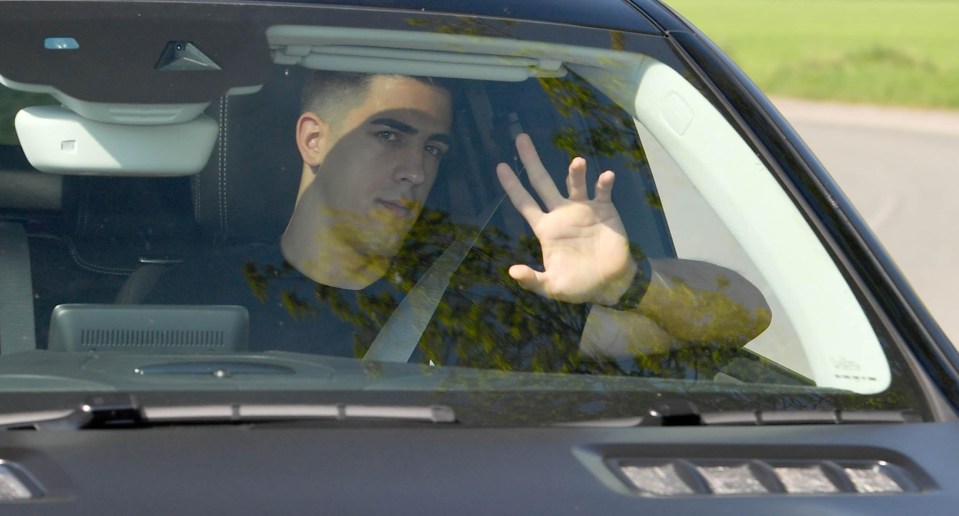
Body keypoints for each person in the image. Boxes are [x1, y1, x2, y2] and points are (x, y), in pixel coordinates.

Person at [146, 70, 771, 372]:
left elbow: (745, 314)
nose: (415, 170)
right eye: (389, 135)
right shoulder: (190, 295)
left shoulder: (492, 296)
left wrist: (630, 284)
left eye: (434, 149)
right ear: (313, 139)